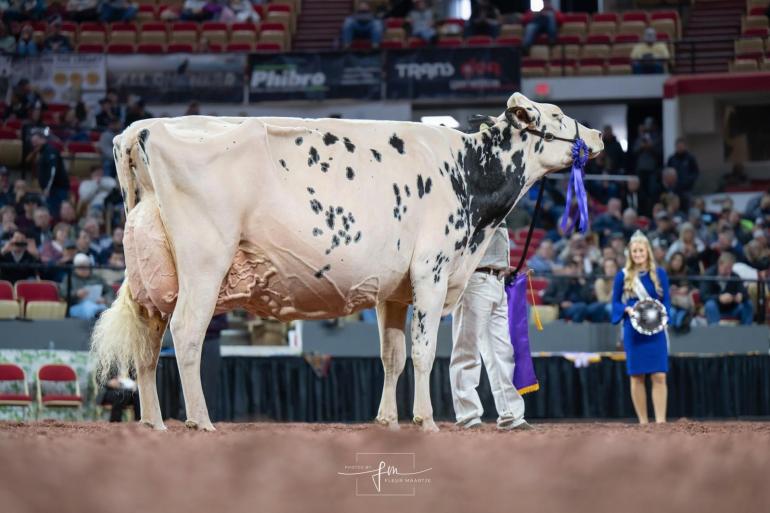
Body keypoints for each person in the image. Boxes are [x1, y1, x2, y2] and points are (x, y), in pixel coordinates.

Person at [450, 224, 532, 431]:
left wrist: (502, 266)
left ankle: (511, 415)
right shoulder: (473, 201)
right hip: (475, 279)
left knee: (503, 352)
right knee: (467, 350)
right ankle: (468, 415)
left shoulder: (500, 206)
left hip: (498, 280)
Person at [611, 230, 670, 424]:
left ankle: (660, 423)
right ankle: (644, 423)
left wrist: (662, 318)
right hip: (633, 330)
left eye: (641, 250)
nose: (637, 254)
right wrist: (625, 309)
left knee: (659, 375)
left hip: (656, 331)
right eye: (634, 251)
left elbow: (666, 302)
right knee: (637, 376)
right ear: (630, 253)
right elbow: (615, 304)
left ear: (647, 251)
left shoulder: (660, 274)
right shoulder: (622, 276)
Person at [701, 252, 753, 326]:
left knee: (748, 304)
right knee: (710, 304)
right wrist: (719, 298)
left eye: (730, 268)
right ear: (720, 264)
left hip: (732, 308)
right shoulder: (709, 275)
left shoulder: (734, 276)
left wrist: (741, 296)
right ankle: (714, 330)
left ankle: (747, 331)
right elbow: (703, 296)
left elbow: (745, 293)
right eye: (726, 268)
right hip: (716, 308)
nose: (728, 271)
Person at [62, 252, 115, 319]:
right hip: (76, 306)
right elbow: (62, 293)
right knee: (88, 307)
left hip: (98, 304)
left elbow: (110, 291)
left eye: (86, 267)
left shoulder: (97, 278)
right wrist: (76, 294)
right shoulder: (69, 278)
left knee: (106, 309)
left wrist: (105, 299)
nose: (84, 270)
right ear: (75, 268)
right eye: (80, 267)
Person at [30, 128, 70, 216]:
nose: (34, 144)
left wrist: (47, 188)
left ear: (43, 139)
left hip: (56, 189)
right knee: (51, 212)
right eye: (33, 142)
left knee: (56, 212)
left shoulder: (50, 151)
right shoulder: (42, 152)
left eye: (36, 141)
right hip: (51, 189)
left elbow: (53, 170)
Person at [542, 257, 594, 322]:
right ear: (565, 269)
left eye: (575, 268)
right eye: (570, 268)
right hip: (564, 309)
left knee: (598, 307)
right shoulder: (557, 281)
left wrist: (583, 284)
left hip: (582, 305)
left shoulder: (580, 281)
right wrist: (561, 303)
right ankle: (576, 329)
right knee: (581, 307)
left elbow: (588, 299)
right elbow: (546, 297)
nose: (573, 270)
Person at [590, 257, 618, 322]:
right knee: (611, 308)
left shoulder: (622, 280)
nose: (610, 269)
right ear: (604, 269)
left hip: (621, 304)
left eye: (612, 266)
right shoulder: (600, 282)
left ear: (616, 268)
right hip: (606, 305)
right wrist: (614, 290)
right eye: (607, 267)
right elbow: (602, 301)